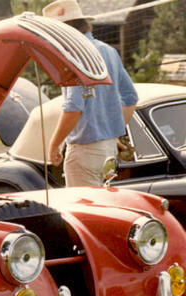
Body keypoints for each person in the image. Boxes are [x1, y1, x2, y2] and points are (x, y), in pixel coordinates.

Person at [43, 0, 138, 187]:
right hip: (109, 149)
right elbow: (130, 98)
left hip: (84, 151)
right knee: (103, 208)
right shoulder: (109, 51)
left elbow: (73, 108)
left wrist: (54, 145)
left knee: (84, 211)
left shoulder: (74, 56)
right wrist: (111, 134)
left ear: (61, 31)